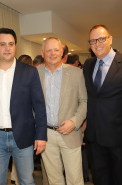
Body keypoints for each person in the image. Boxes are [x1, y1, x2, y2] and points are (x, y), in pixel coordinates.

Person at [0, 28, 47, 185]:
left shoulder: (29, 72)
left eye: (11, 44)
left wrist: (41, 135)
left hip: (23, 137)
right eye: (2, 44)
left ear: (15, 46)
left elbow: (39, 105)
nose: (7, 48)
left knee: (26, 181)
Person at [83, 24, 122, 185]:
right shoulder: (88, 65)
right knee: (100, 180)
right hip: (95, 141)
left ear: (110, 39)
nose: (97, 43)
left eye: (101, 39)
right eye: (93, 41)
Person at [37, 37, 87, 185]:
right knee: (54, 180)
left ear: (62, 53)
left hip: (70, 132)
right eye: (49, 50)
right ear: (43, 53)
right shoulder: (34, 73)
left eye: (56, 50)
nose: (53, 54)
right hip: (46, 135)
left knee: (75, 179)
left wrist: (75, 122)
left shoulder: (76, 73)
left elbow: (84, 101)